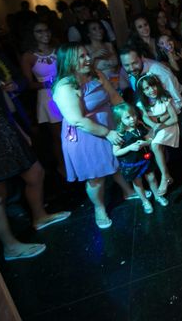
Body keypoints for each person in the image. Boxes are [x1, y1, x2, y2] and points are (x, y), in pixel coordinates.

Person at [52, 43, 136, 229]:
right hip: (86, 136)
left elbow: (114, 97)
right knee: (96, 177)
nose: (88, 59)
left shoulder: (96, 74)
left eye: (87, 55)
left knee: (116, 162)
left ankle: (128, 191)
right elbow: (77, 120)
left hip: (109, 126)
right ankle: (99, 208)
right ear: (68, 61)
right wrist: (107, 133)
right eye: (81, 57)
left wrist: (127, 115)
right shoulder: (64, 86)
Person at [0, 68, 70, 260]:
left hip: (5, 131)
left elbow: (1, 108)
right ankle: (10, 247)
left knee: (35, 173)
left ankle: (39, 216)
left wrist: (19, 132)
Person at [119, 47, 182, 185]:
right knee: (157, 143)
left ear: (142, 58)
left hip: (176, 106)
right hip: (155, 112)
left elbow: (177, 100)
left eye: (134, 63)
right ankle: (167, 176)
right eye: (126, 65)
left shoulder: (159, 71)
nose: (131, 68)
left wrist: (162, 119)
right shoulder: (132, 73)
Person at [20, 20, 64, 176]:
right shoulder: (29, 56)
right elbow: (28, 84)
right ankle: (62, 167)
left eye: (46, 30)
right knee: (58, 136)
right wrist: (46, 83)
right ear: (32, 35)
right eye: (39, 31)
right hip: (48, 97)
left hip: (65, 91)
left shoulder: (58, 49)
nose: (45, 33)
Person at [112, 102, 169, 213]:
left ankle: (157, 195)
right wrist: (129, 148)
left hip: (145, 159)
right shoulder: (120, 134)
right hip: (131, 164)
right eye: (128, 117)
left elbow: (149, 139)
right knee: (138, 183)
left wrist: (145, 143)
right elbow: (116, 152)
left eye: (133, 115)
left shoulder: (140, 126)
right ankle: (145, 201)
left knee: (152, 177)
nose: (132, 119)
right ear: (120, 119)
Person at [136, 74, 180, 195]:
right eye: (146, 88)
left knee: (155, 145)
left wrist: (159, 125)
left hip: (169, 127)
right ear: (142, 91)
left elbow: (174, 118)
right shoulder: (142, 103)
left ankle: (164, 177)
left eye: (152, 85)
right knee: (150, 145)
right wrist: (154, 125)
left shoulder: (164, 98)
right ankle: (165, 176)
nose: (151, 90)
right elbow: (145, 117)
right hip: (156, 128)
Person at [84, 20, 120, 86]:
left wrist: (116, 77)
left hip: (117, 80)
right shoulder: (86, 49)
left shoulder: (109, 45)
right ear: (88, 34)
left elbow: (118, 65)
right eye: (94, 29)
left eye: (100, 28)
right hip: (100, 84)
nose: (99, 31)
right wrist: (93, 56)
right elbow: (86, 71)